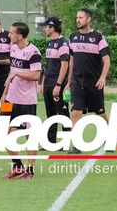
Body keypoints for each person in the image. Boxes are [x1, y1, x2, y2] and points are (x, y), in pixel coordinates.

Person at [0, 22, 41, 180]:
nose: (9, 35)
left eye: (11, 33)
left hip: (27, 102)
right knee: (4, 134)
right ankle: (17, 166)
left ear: (20, 35)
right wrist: (4, 94)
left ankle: (30, 170)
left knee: (29, 136)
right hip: (10, 99)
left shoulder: (33, 52)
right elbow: (11, 73)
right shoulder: (14, 48)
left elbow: (36, 75)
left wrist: (17, 74)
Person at [69, 8, 111, 124]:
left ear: (88, 19)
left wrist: (102, 77)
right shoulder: (72, 37)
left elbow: (107, 61)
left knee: (99, 113)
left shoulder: (98, 37)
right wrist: (69, 82)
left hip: (94, 83)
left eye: (81, 18)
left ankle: (109, 134)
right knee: (76, 112)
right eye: (77, 17)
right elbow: (71, 61)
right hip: (77, 82)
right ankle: (76, 140)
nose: (78, 20)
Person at [40, 16, 70, 144]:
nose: (44, 29)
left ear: (52, 28)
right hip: (47, 83)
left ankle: (67, 142)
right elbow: (48, 65)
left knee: (63, 113)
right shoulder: (49, 43)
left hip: (57, 83)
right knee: (50, 114)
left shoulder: (63, 43)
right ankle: (50, 142)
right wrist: (42, 83)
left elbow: (64, 65)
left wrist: (58, 85)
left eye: (46, 27)